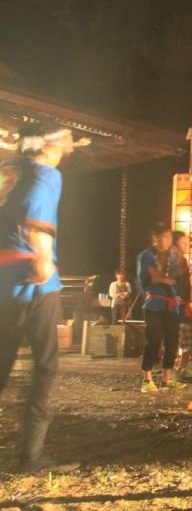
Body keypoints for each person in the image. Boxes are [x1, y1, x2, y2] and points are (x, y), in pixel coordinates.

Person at [0, 123, 80, 473]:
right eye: (66, 138)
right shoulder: (47, 174)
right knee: (46, 365)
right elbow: (37, 222)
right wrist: (44, 262)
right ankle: (31, 456)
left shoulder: (9, 173)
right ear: (49, 144)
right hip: (33, 285)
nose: (71, 145)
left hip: (2, 283)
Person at [138, 224, 184, 392]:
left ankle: (167, 378)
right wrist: (165, 279)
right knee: (153, 340)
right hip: (154, 303)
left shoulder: (173, 257)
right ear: (155, 238)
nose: (167, 241)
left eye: (169, 237)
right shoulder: (147, 256)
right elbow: (151, 278)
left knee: (172, 341)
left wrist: (166, 280)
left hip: (171, 304)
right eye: (164, 237)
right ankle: (147, 380)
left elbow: (177, 279)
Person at [172, 231, 192, 378]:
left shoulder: (182, 260)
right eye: (183, 242)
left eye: (187, 243)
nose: (186, 245)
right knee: (177, 336)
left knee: (188, 334)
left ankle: (184, 367)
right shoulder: (171, 260)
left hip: (183, 303)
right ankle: (175, 369)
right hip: (175, 304)